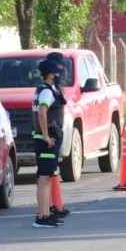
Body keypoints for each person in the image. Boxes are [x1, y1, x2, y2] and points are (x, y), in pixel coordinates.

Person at [31, 59, 65, 228]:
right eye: (57, 72)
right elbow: (42, 112)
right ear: (51, 75)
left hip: (46, 139)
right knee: (45, 178)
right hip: (46, 140)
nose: (59, 75)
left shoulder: (46, 89)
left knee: (47, 177)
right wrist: (45, 135)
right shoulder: (46, 92)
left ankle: (45, 213)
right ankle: (41, 216)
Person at [46, 51, 70, 220]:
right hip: (51, 132)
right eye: (60, 66)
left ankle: (54, 205)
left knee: (52, 170)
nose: (62, 70)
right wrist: (47, 135)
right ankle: (49, 208)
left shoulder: (55, 86)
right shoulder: (47, 88)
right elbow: (42, 112)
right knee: (47, 172)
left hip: (56, 129)